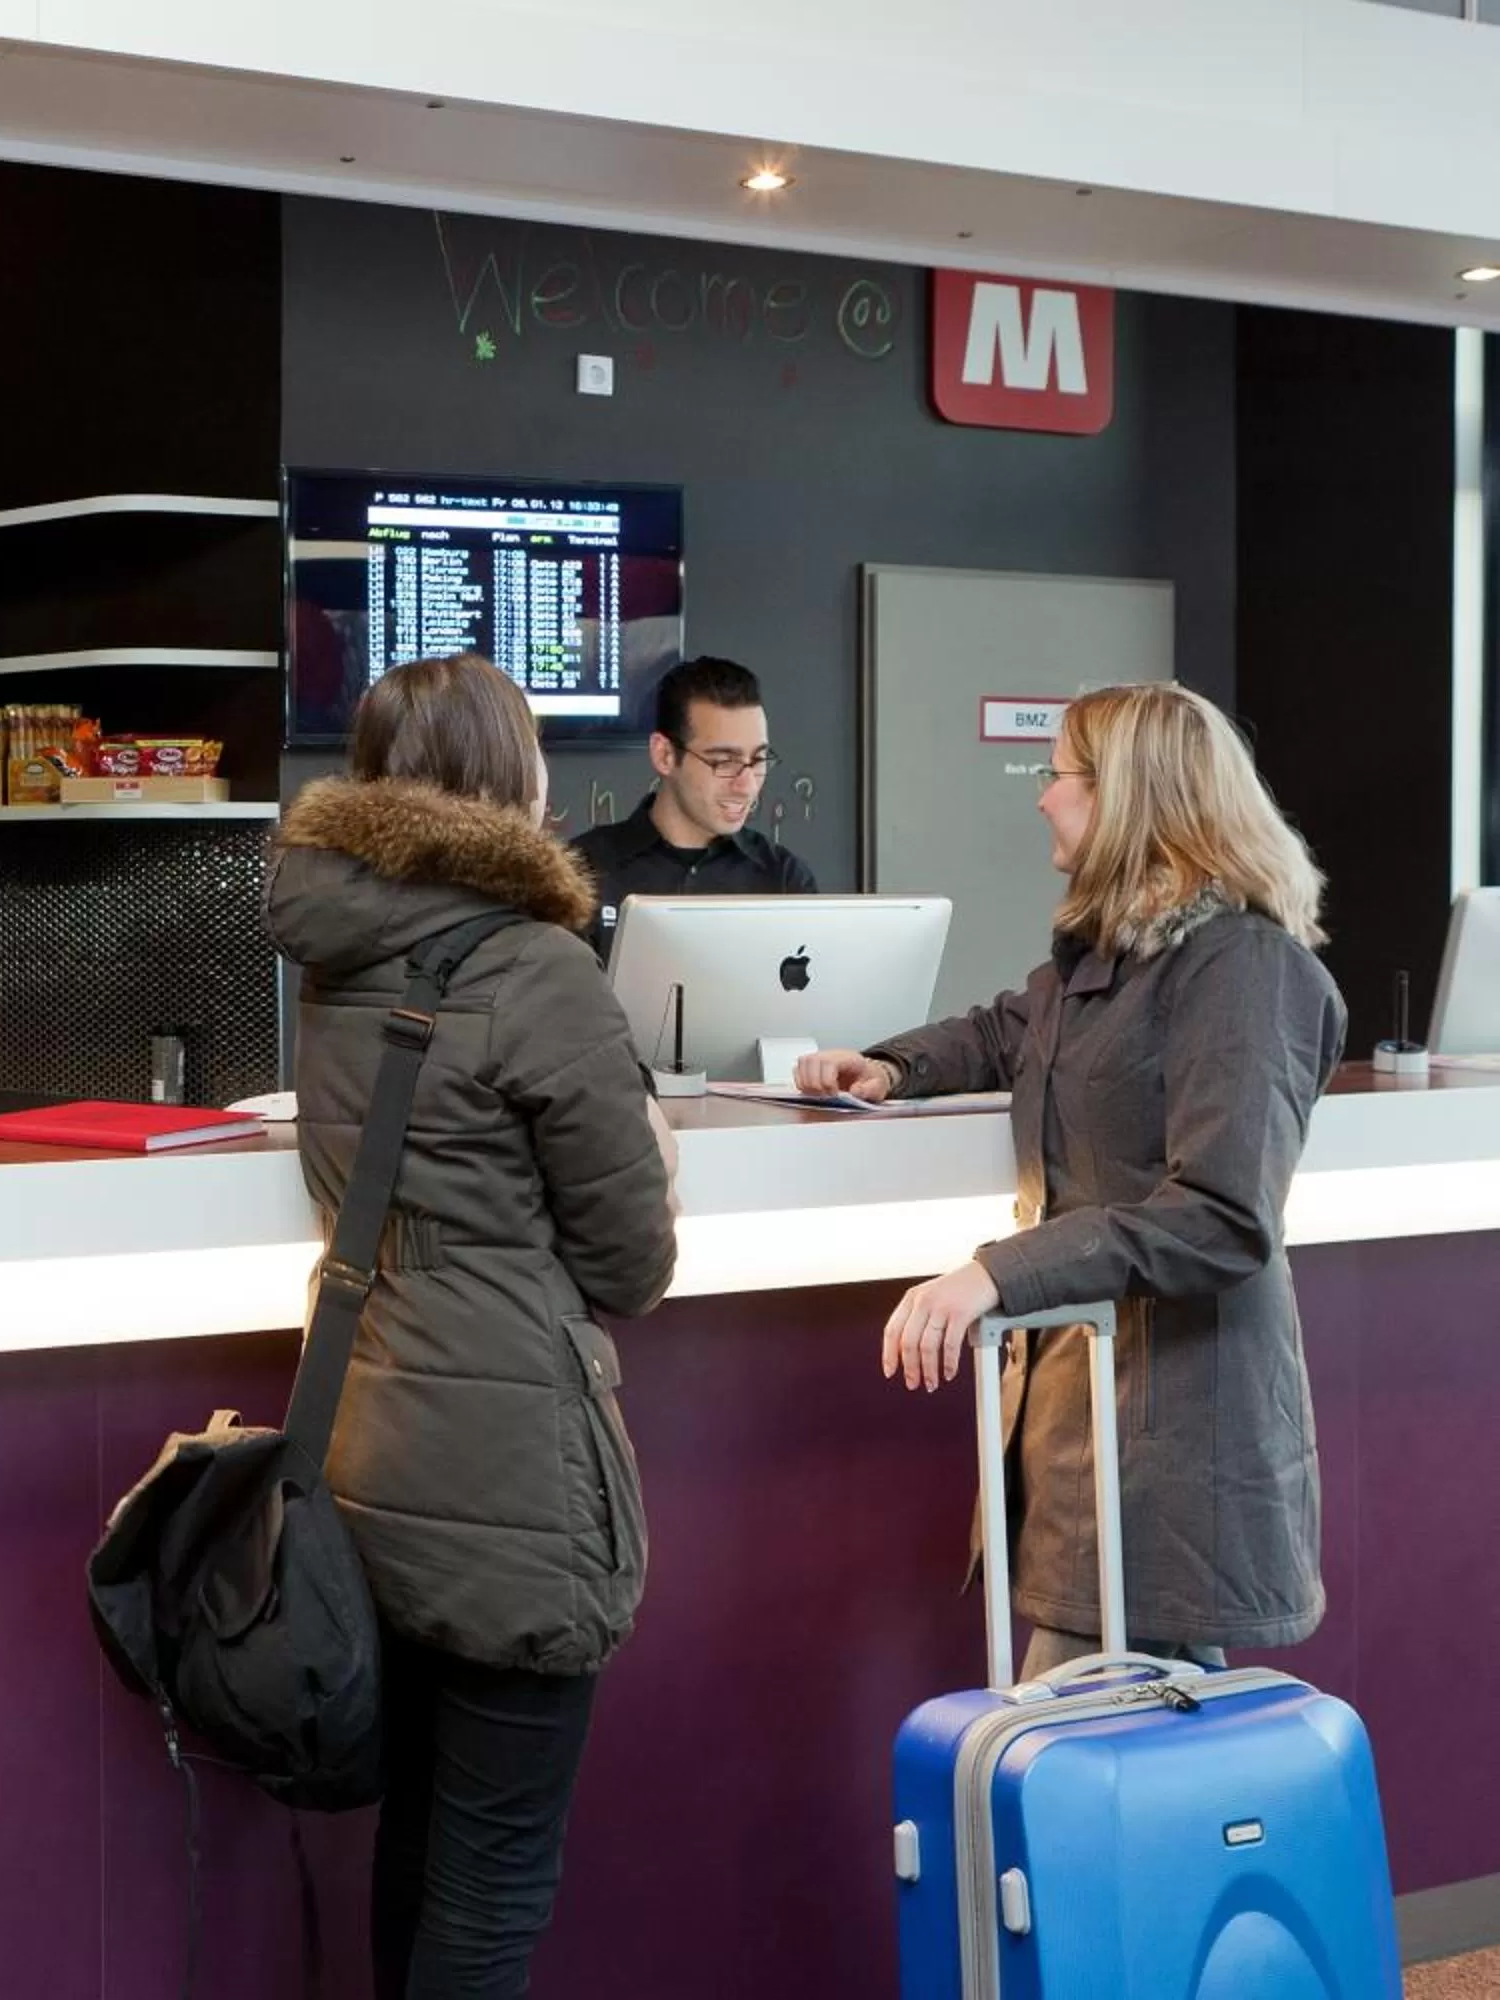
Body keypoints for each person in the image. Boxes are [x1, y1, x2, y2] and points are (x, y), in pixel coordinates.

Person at [268, 652, 680, 1998]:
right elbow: (631, 1261)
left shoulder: (336, 951)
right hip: (512, 1467)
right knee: (496, 1878)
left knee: (422, 1843)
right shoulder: (537, 967)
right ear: (513, 781)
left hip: (372, 1442)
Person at [794, 683, 1341, 1677]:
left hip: (1174, 1439)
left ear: (1127, 798)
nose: (1043, 797)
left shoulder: (1244, 970)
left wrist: (996, 1272)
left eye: (1061, 776)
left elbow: (1222, 1214)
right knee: (1138, 1762)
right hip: (1093, 1425)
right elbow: (1008, 1029)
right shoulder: (1109, 958)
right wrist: (889, 1064)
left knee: (1098, 1745)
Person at [567, 655, 817, 961]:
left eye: (759, 760)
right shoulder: (581, 873)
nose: (747, 785)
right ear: (665, 756)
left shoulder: (785, 880)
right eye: (725, 762)